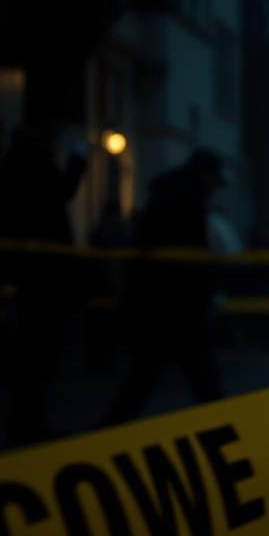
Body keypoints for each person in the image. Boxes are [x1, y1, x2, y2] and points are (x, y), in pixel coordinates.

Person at [102, 149, 226, 425]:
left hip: (157, 300)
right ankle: (223, 425)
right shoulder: (189, 205)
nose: (214, 190)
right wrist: (208, 290)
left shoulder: (165, 198)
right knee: (197, 374)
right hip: (178, 303)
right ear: (205, 177)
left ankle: (108, 429)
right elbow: (192, 256)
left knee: (148, 375)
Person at [0, 120, 87, 445]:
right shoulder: (31, 161)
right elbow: (59, 193)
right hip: (39, 273)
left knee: (34, 354)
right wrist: (77, 161)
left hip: (30, 271)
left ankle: (27, 424)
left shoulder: (17, 160)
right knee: (37, 354)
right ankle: (28, 426)